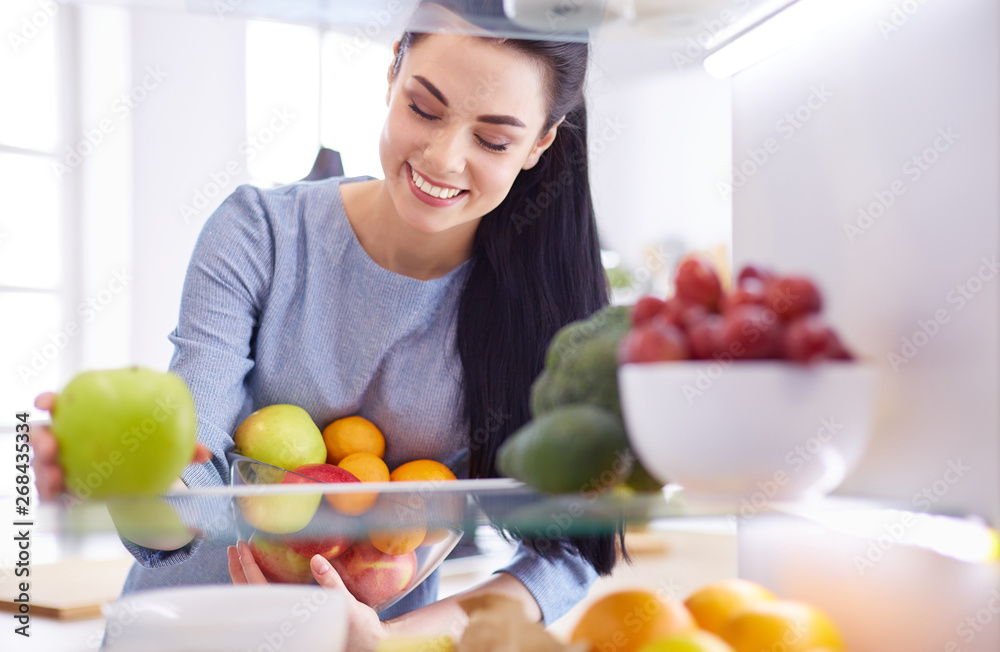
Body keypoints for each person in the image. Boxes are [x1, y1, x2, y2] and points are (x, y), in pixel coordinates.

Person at [31, 2, 621, 649]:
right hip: (191, 634)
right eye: (424, 108)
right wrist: (132, 478)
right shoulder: (262, 233)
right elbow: (190, 498)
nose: (444, 158)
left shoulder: (537, 299)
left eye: (493, 139)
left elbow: (566, 554)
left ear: (541, 142)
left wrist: (393, 639)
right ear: (393, 67)